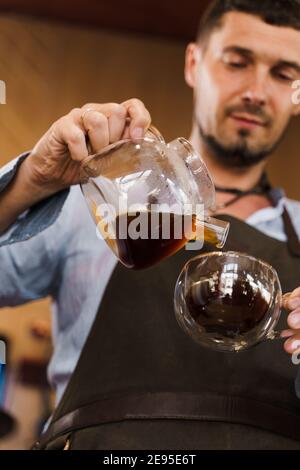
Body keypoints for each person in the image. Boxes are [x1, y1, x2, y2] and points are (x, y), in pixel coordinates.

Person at [1, 0, 300, 450]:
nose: (256, 91)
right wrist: (31, 182)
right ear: (194, 63)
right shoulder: (92, 206)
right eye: (237, 62)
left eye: (284, 74)